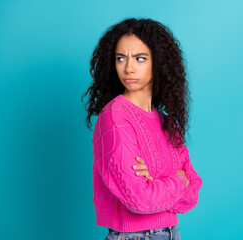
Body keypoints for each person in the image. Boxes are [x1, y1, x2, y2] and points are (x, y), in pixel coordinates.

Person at [82, 18, 203, 240]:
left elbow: (194, 191)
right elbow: (140, 200)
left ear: (158, 63)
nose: (128, 68)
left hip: (171, 233)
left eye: (140, 58)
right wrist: (178, 179)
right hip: (134, 236)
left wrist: (157, 182)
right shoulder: (114, 118)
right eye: (121, 58)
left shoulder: (167, 123)